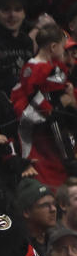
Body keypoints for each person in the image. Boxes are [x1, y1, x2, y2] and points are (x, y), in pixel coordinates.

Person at [10, 23, 76, 189]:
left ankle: (68, 159)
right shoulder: (34, 67)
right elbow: (32, 92)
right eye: (63, 47)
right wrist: (49, 108)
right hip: (36, 114)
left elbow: (57, 86)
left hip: (52, 111)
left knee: (61, 128)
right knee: (55, 127)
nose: (65, 53)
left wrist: (67, 90)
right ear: (54, 47)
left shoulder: (53, 66)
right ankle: (68, 160)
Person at [16, 178, 58, 256]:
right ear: (26, 212)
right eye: (45, 205)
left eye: (54, 204)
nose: (53, 209)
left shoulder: (58, 239)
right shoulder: (20, 247)